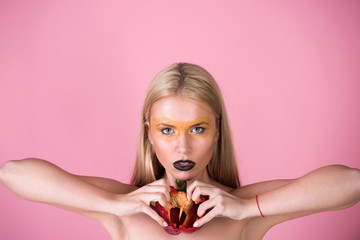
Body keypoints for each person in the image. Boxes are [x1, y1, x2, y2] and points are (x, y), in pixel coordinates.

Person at [0, 63, 359, 240]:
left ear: (217, 133)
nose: (182, 146)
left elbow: (350, 184)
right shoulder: (124, 205)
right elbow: (13, 173)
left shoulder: (241, 210)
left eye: (198, 129)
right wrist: (112, 204)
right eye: (167, 130)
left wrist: (248, 207)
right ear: (149, 135)